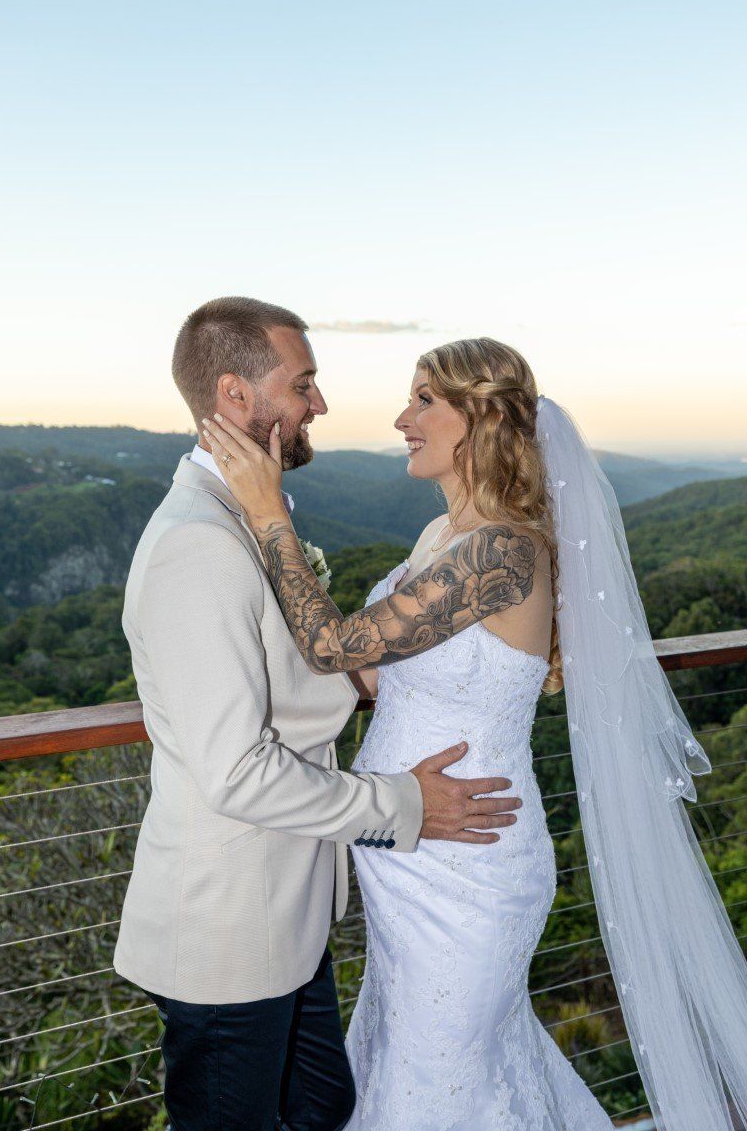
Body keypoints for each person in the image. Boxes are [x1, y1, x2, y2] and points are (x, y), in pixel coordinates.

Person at [204, 334, 747, 1131]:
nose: (402, 418)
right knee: (438, 1066)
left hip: (469, 867)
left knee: (444, 1079)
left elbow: (334, 645)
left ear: (481, 418)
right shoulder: (442, 539)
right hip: (408, 859)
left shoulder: (504, 553)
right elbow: (371, 674)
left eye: (424, 399)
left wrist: (265, 511)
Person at [113, 301, 522, 1131]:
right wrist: (401, 804)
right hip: (228, 930)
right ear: (235, 395)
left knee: (324, 1107)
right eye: (303, 384)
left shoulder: (249, 520)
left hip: (288, 916)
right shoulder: (200, 543)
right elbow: (235, 770)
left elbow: (301, 669)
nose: (321, 405)